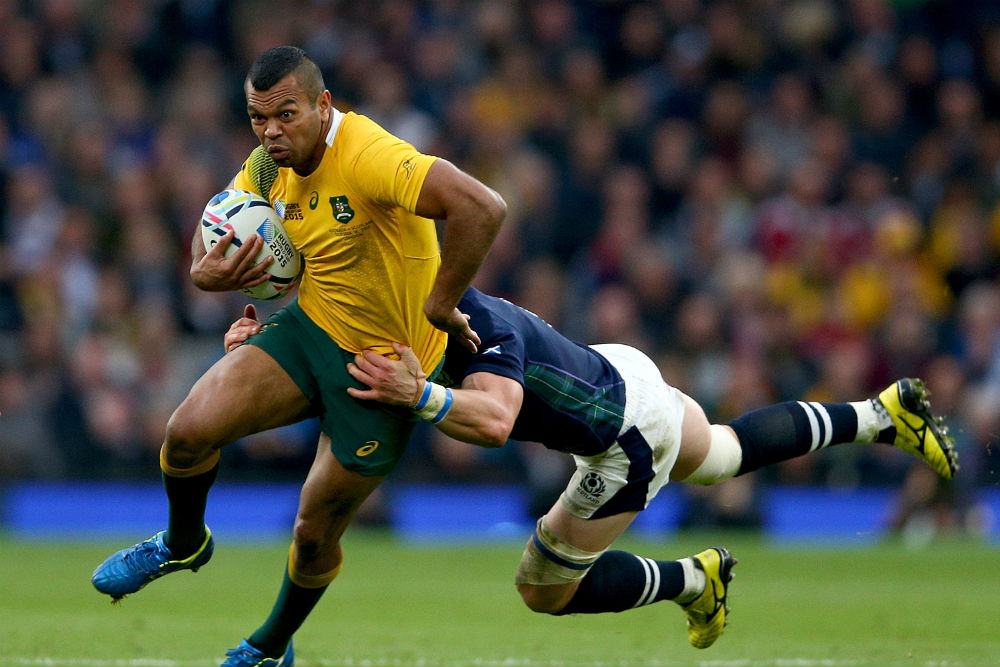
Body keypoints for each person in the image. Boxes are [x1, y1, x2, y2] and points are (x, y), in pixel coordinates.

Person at [224, 286, 957, 651]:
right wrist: (266, 339)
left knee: (541, 587)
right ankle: (882, 413)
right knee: (727, 451)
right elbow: (342, 333)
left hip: (623, 436)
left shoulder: (479, 333)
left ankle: (695, 578)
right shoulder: (426, 300)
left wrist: (419, 394)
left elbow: (490, 422)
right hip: (617, 370)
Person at [91, 46, 506, 667]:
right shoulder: (265, 167)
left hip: (385, 369)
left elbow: (483, 206)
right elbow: (225, 239)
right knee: (186, 433)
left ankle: (269, 646)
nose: (272, 132)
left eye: (286, 115)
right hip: (311, 330)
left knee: (313, 533)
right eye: (259, 118)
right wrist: (216, 282)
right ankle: (182, 543)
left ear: (323, 104)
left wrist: (443, 305)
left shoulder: (369, 156)